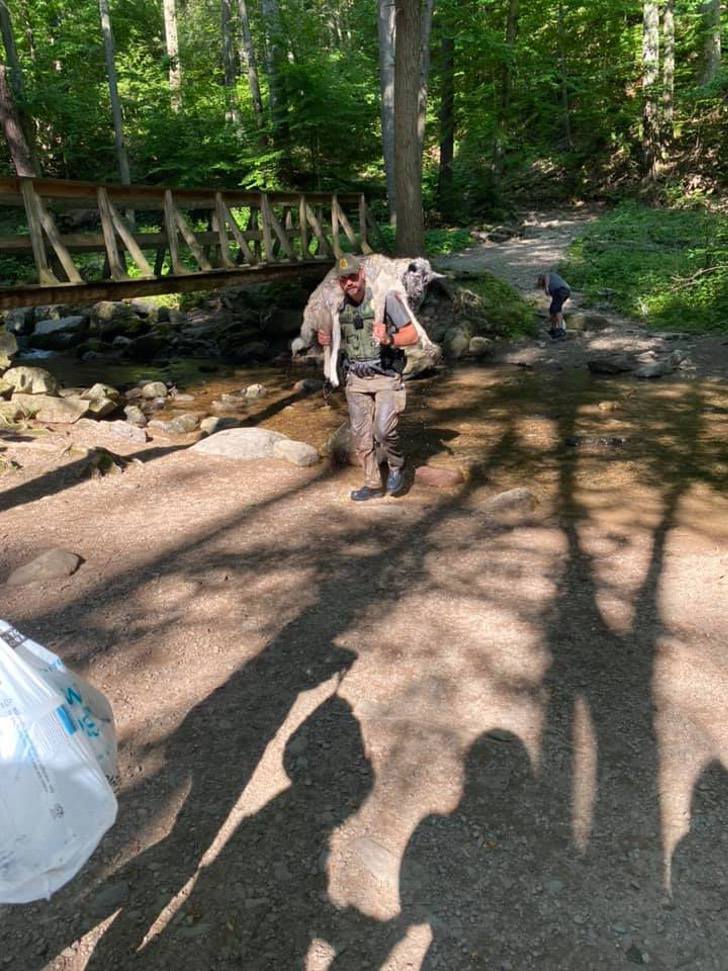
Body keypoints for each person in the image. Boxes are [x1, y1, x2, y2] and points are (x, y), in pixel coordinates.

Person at [318, 254, 419, 502]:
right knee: (362, 438)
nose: (350, 283)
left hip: (385, 375)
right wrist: (324, 339)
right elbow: (331, 334)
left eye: (353, 277)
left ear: (362, 274)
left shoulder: (386, 299)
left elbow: (412, 336)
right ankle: (372, 484)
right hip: (356, 378)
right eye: (344, 280)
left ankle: (396, 465)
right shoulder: (336, 306)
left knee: (383, 430)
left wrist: (389, 339)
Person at [537, 270, 571, 340]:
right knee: (553, 309)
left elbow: (546, 275)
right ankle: (554, 328)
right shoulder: (553, 283)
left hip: (561, 290)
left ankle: (560, 329)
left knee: (556, 309)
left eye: (540, 284)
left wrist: (546, 288)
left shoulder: (549, 276)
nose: (542, 287)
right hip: (565, 291)